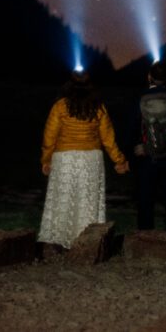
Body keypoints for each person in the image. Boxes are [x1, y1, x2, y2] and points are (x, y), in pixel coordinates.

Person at [38, 70, 129, 249]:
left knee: (64, 198)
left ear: (69, 85)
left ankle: (58, 241)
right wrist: (119, 160)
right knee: (88, 200)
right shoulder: (98, 107)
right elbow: (108, 138)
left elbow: (49, 136)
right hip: (91, 158)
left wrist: (46, 159)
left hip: (64, 158)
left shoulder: (60, 106)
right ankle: (89, 243)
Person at [131, 60, 166, 236]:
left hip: (146, 157)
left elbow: (131, 126)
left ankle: (145, 244)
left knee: (146, 202)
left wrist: (137, 146)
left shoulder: (139, 99)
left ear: (149, 77)